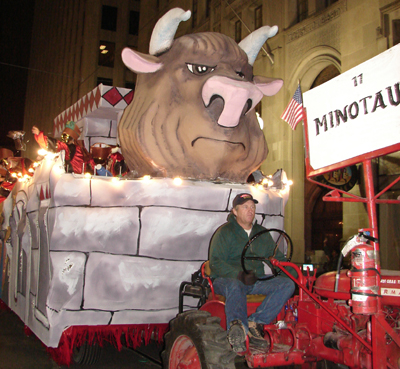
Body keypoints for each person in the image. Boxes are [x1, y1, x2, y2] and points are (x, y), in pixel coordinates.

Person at [209, 193, 296, 352]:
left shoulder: (261, 233)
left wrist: (294, 275)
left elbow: (276, 258)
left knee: (287, 284)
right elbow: (215, 263)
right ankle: (237, 328)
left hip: (255, 280)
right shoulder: (225, 232)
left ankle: (255, 321)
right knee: (236, 285)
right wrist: (239, 274)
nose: (250, 210)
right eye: (245, 207)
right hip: (227, 280)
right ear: (235, 211)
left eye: (253, 207)